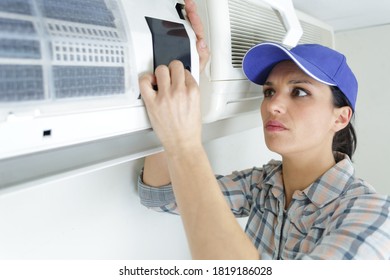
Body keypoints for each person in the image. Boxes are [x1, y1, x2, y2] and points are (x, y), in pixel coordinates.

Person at [138, 0, 390, 259]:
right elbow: (160, 195)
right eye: (269, 91)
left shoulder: (373, 216)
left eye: (300, 92)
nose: (274, 105)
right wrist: (186, 69)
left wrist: (185, 145)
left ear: (340, 118)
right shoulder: (263, 185)